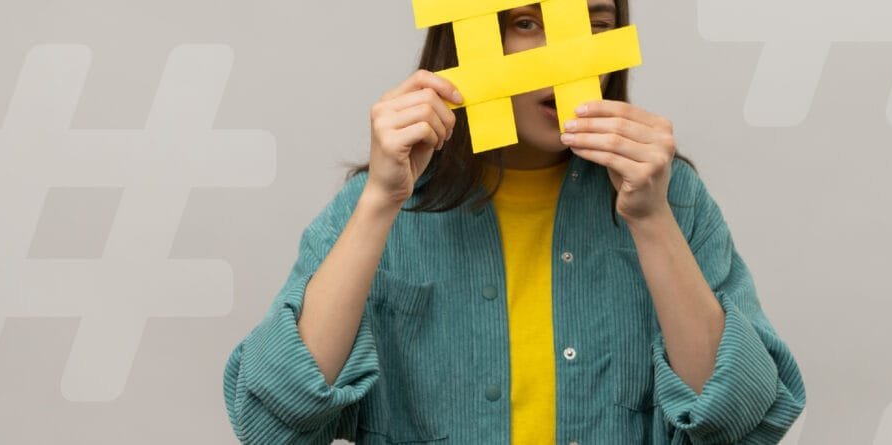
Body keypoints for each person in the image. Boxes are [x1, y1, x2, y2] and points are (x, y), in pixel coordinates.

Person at [222, 1, 806, 443]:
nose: (568, 54)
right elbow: (270, 419)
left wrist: (652, 220)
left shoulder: (670, 197)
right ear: (466, 40)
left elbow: (741, 422)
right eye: (527, 23)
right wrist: (380, 200)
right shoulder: (380, 201)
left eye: (596, 24)